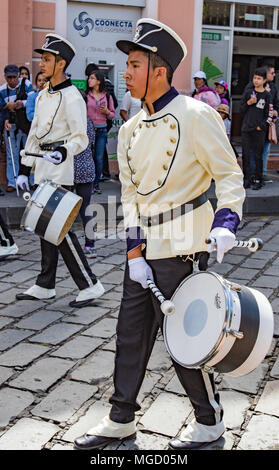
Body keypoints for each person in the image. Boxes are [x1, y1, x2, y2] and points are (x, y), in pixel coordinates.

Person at [74, 18, 245, 451]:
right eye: (126, 64)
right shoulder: (129, 128)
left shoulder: (196, 114)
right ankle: (120, 419)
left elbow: (229, 177)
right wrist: (133, 252)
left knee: (186, 339)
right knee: (129, 334)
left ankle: (209, 423)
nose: (125, 72)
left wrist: (226, 224)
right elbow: (129, 196)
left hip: (186, 246)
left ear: (159, 70)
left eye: (133, 64)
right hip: (144, 248)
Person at [15, 33, 104, 308]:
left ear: (61, 63)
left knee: (59, 228)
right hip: (41, 168)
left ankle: (90, 284)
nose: (41, 63)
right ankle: (45, 284)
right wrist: (22, 169)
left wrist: (64, 151)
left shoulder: (72, 96)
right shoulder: (42, 95)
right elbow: (33, 135)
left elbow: (82, 137)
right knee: (45, 228)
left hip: (59, 167)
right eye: (42, 59)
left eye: (47, 59)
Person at [0, 64, 33, 192]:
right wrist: (6, 116)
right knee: (11, 155)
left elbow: (33, 100)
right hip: (12, 125)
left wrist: (21, 104)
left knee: (29, 152)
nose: (12, 80)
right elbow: (2, 108)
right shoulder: (2, 90)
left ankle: (31, 180)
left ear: (18, 76)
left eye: (14, 77)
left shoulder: (26, 84)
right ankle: (12, 182)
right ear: (5, 77)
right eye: (9, 78)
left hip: (25, 124)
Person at [85, 63, 118, 181]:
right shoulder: (85, 96)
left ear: (99, 81)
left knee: (99, 158)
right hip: (88, 130)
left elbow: (112, 115)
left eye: (92, 78)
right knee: (88, 157)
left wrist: (107, 111)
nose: (89, 80)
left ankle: (96, 184)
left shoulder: (107, 96)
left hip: (102, 130)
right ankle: (88, 182)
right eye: (89, 78)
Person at [75, 90, 97, 258]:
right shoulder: (89, 122)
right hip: (87, 168)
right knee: (86, 209)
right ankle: (90, 244)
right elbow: (92, 143)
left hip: (71, 170)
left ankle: (64, 244)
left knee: (64, 209)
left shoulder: (71, 123)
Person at [240, 67, 270, 190]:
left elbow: (269, 113)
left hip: (259, 130)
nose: (256, 80)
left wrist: (261, 126)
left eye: (259, 78)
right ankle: (246, 179)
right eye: (254, 78)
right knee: (246, 155)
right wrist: (249, 103)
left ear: (264, 80)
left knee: (258, 155)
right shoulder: (248, 92)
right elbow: (241, 109)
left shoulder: (267, 95)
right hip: (247, 128)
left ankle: (258, 179)